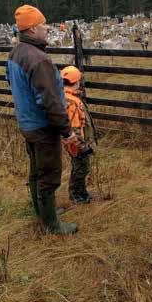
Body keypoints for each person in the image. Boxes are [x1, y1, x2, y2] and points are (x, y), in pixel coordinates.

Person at [6, 5, 79, 235]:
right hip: (43, 127)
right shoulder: (38, 60)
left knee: (36, 171)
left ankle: (44, 212)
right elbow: (50, 101)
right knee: (49, 174)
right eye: (43, 24)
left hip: (26, 123)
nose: (47, 28)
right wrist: (67, 132)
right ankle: (52, 225)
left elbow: (12, 83)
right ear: (32, 29)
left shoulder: (15, 53)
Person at [60, 66, 97, 204]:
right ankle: (76, 195)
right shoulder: (71, 102)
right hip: (78, 143)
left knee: (82, 167)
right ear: (76, 82)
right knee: (80, 168)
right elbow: (74, 127)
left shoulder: (67, 96)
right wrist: (82, 145)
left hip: (77, 142)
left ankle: (82, 192)